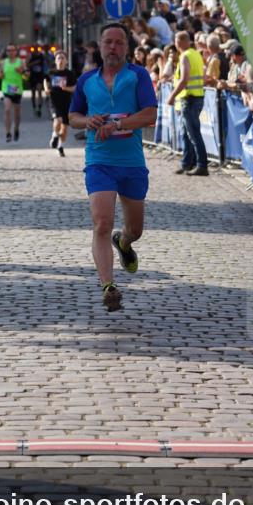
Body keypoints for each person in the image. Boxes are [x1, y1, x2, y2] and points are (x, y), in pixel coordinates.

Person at [69, 22, 157, 312]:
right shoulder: (86, 81)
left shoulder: (138, 76)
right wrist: (88, 122)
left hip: (131, 162)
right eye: (108, 42)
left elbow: (149, 114)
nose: (113, 48)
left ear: (127, 48)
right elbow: (73, 117)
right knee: (102, 223)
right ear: (99, 46)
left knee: (135, 229)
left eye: (119, 43)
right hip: (99, 161)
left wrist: (119, 124)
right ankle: (108, 286)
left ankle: (125, 242)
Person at [167, 30, 208, 176]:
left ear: (181, 42)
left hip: (189, 99)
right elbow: (202, 75)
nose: (176, 45)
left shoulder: (185, 56)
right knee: (186, 133)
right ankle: (187, 163)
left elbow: (184, 79)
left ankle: (202, 165)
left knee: (193, 134)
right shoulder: (196, 54)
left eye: (177, 42)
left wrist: (172, 96)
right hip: (196, 97)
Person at [44, 49, 76, 157]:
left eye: (63, 58)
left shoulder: (70, 74)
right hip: (54, 101)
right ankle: (54, 135)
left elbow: (74, 88)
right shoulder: (51, 72)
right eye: (59, 58)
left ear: (66, 61)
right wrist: (46, 89)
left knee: (65, 128)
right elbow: (46, 81)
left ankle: (60, 146)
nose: (61, 60)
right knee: (57, 120)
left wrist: (66, 88)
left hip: (66, 102)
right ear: (55, 60)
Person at [1, 43, 25, 143]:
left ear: (16, 51)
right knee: (7, 110)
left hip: (17, 89)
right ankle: (7, 133)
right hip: (6, 89)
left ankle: (16, 129)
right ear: (6, 52)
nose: (10, 52)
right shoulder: (3, 62)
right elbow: (1, 74)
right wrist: (0, 74)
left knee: (17, 114)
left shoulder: (21, 62)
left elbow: (26, 74)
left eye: (12, 50)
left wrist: (21, 71)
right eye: (8, 50)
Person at [27, 42, 48, 117]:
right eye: (35, 47)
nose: (36, 49)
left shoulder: (42, 56)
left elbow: (46, 63)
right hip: (33, 76)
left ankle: (39, 108)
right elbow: (27, 65)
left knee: (39, 91)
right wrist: (35, 62)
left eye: (37, 48)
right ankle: (34, 107)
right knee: (33, 93)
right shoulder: (30, 56)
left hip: (40, 76)